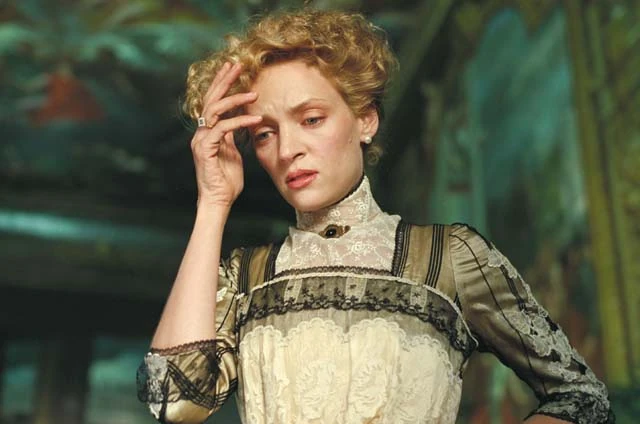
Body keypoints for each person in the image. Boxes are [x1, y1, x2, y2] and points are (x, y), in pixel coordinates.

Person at [136, 9, 613, 424]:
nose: (287, 149)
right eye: (264, 134)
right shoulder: (245, 276)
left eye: (311, 119)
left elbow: (581, 397)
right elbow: (172, 400)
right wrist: (213, 203)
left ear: (365, 119)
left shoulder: (450, 256)